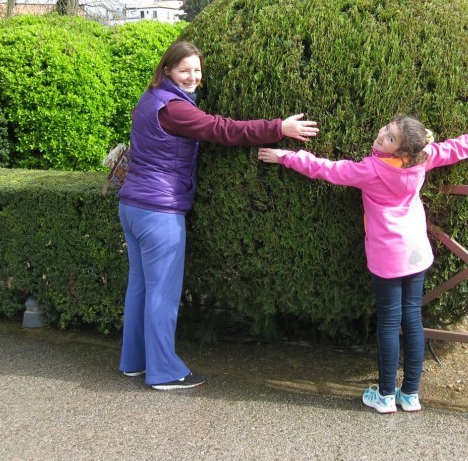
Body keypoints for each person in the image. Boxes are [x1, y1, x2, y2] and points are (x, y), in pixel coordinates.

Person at [258, 116, 468, 413]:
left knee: (390, 322)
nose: (381, 135)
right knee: (412, 319)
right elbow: (456, 148)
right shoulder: (422, 159)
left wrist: (286, 156)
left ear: (402, 152)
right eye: (386, 129)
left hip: (387, 255)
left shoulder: (370, 170)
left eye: (389, 137)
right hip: (415, 252)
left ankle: (386, 395)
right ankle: (411, 394)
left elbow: (326, 169)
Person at [117, 40, 319, 391]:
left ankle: (134, 362)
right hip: (159, 212)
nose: (193, 77)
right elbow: (222, 129)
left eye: (197, 71)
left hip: (132, 206)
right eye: (184, 70)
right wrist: (278, 129)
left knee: (140, 288)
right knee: (161, 294)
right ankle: (164, 372)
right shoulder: (176, 109)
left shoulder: (149, 98)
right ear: (167, 70)